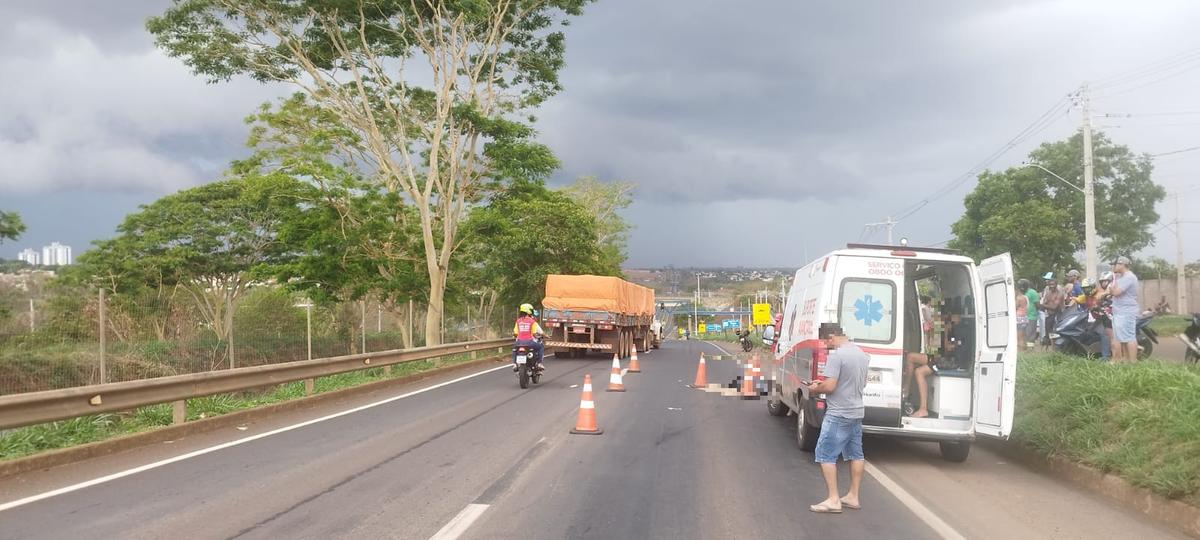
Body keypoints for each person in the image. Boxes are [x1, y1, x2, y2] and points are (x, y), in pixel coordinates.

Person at [807, 323, 869, 514]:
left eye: (826, 342)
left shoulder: (837, 356)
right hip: (857, 411)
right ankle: (853, 496)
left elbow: (830, 387)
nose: (826, 346)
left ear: (831, 337)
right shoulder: (862, 354)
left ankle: (834, 499)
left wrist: (816, 387)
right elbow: (860, 383)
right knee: (856, 454)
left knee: (825, 454)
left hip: (838, 413)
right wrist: (825, 383)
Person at [1109, 256, 1140, 362]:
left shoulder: (1129, 277)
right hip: (1119, 311)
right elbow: (1111, 290)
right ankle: (1127, 361)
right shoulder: (1119, 277)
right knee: (1122, 338)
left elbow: (1116, 292)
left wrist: (1111, 290)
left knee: (1129, 337)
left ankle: (1133, 362)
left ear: (1122, 264)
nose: (1113, 266)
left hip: (1126, 312)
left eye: (1115, 264)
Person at [512, 303, 545, 371]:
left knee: (514, 349)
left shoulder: (518, 321)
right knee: (540, 347)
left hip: (519, 342)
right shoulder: (532, 321)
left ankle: (515, 364)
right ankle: (539, 363)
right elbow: (534, 333)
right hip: (529, 342)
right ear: (528, 311)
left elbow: (515, 333)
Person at [903, 351, 932, 418]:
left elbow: (947, 347)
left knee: (919, 372)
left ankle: (923, 409)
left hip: (945, 360)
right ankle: (905, 391)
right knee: (910, 356)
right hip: (937, 357)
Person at [1039, 275, 1065, 350]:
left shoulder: (1059, 294)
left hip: (1058, 315)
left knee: (1056, 333)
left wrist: (1044, 305)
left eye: (1053, 284)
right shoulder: (1048, 293)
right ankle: (1049, 349)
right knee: (1048, 334)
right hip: (1049, 316)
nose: (1052, 286)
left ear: (1056, 285)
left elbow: (1054, 307)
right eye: (1050, 284)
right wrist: (1045, 305)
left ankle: (1056, 349)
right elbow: (1045, 303)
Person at [1020, 279, 1040, 348]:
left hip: (1031, 316)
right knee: (1023, 334)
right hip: (1022, 317)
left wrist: (1034, 313)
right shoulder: (1022, 292)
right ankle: (1024, 347)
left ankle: (1030, 349)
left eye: (1022, 286)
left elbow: (1038, 305)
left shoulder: (1033, 292)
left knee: (1030, 334)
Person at [1015, 284, 1030, 352]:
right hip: (1025, 317)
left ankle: (1020, 351)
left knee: (1019, 337)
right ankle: (1025, 350)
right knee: (1024, 336)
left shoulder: (1019, 298)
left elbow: (1014, 307)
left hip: (1019, 318)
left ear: (1018, 290)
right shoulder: (1025, 297)